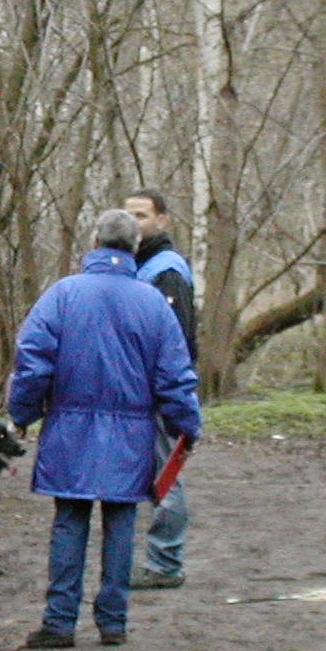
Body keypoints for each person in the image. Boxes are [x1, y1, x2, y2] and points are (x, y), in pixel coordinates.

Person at [8, 210, 201, 649]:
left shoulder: (62, 295)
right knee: (121, 521)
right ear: (135, 246)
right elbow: (175, 374)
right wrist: (187, 425)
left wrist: (21, 415)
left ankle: (59, 621)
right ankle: (113, 622)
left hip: (69, 426)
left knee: (69, 520)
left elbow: (32, 361)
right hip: (131, 432)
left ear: (94, 240)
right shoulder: (152, 303)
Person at [124, 189, 196, 590]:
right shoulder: (138, 265)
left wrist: (171, 396)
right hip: (140, 391)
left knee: (166, 477)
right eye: (129, 215)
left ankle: (166, 562)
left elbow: (176, 343)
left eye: (142, 215)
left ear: (162, 220)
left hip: (161, 392)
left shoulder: (166, 271)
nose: (134, 222)